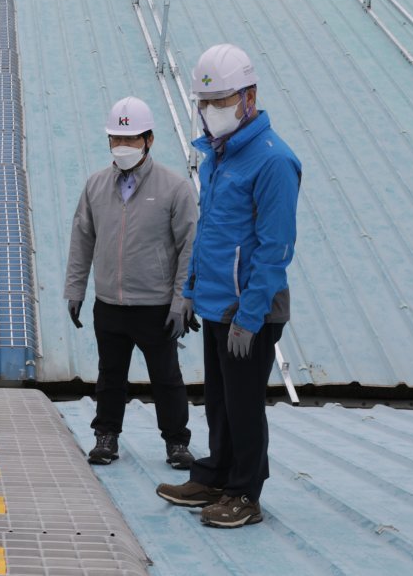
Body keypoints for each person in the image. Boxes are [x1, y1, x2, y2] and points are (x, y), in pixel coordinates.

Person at [156, 44, 301, 529]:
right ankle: (216, 474)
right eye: (204, 102)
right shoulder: (218, 156)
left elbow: (274, 249)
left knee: (243, 405)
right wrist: (191, 291)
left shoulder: (273, 161)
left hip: (251, 311)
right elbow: (211, 233)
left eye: (221, 102)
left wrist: (249, 316)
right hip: (218, 304)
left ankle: (245, 493)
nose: (211, 112)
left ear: (249, 96)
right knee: (217, 400)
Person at [65, 96, 199, 470]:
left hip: (155, 305)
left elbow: (190, 247)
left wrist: (181, 301)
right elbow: (82, 239)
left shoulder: (175, 188)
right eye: (116, 139)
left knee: (166, 377)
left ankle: (176, 442)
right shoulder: (95, 185)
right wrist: (76, 289)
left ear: (149, 139)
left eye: (131, 139)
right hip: (109, 303)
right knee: (110, 375)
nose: (122, 147)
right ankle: (106, 436)